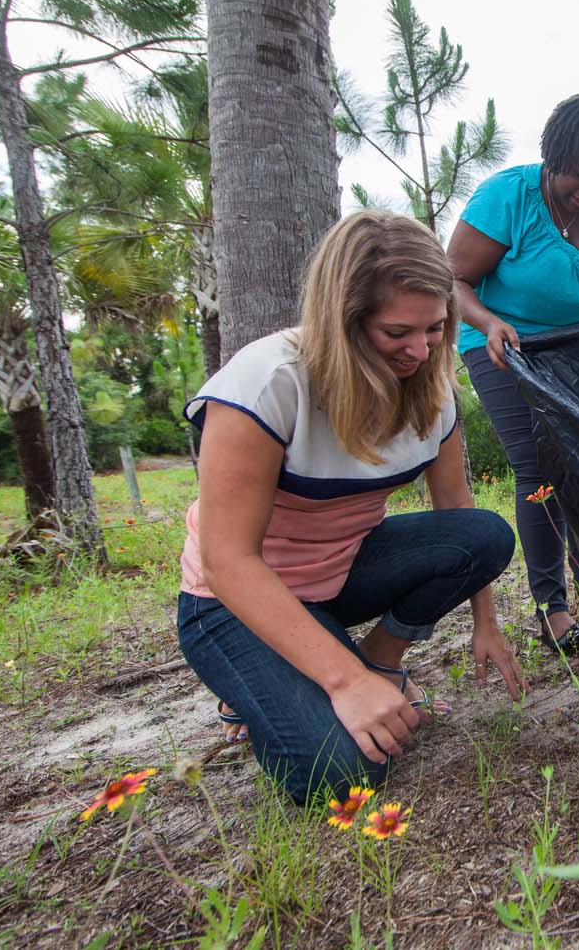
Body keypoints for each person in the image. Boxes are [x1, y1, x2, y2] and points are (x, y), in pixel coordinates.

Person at [177, 210, 526, 805]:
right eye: (397, 333)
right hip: (232, 601)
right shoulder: (266, 384)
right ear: (344, 320)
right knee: (340, 778)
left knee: (486, 534)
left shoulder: (433, 393)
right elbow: (228, 560)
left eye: (435, 328)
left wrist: (485, 622)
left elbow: (457, 509)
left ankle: (379, 661)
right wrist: (343, 683)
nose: (419, 350)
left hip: (340, 575)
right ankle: (260, 683)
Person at [448, 94, 579, 654]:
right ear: (553, 155)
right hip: (506, 346)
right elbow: (453, 281)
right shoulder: (509, 197)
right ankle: (553, 607)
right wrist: (489, 322)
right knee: (539, 469)